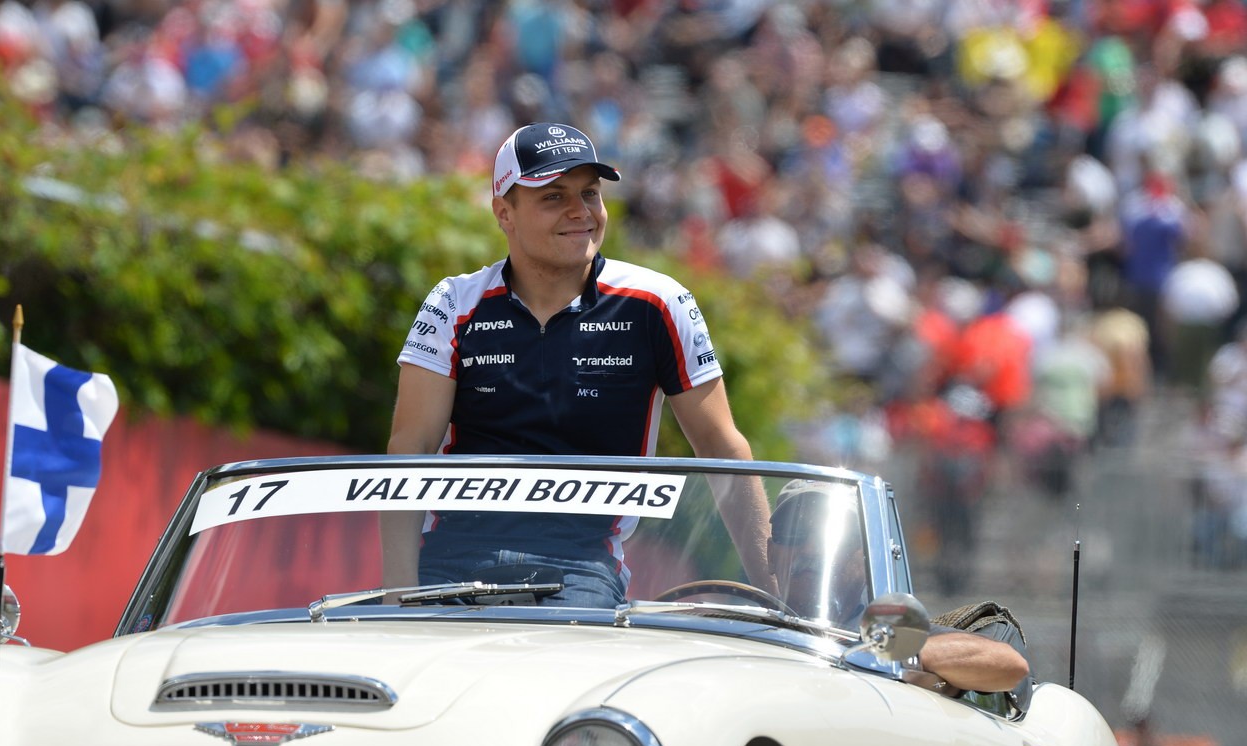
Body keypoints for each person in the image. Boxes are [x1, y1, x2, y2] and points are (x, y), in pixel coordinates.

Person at [384, 121, 770, 604]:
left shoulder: (658, 303)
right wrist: (397, 595)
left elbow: (722, 447)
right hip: (451, 563)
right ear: (504, 212)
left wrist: (774, 593)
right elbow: (409, 452)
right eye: (553, 196)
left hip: (580, 570)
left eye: (590, 193)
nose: (580, 212)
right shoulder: (452, 302)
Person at [768, 479, 1030, 695]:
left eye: (839, 536)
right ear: (770, 552)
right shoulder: (739, 626)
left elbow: (1010, 666)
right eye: (794, 531)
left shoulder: (890, 634)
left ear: (866, 560)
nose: (812, 548)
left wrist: (894, 653)